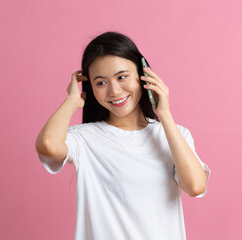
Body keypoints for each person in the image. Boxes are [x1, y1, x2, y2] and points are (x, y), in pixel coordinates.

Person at [35, 31, 211, 240]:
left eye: (122, 77)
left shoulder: (175, 135)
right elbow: (47, 145)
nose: (115, 91)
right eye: (101, 83)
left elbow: (195, 186)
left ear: (143, 74)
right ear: (89, 87)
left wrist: (164, 114)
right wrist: (72, 100)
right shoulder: (84, 139)